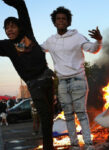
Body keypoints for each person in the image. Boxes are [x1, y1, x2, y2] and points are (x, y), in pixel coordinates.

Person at [41, 6, 102, 150]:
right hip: (62, 82)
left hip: (78, 80)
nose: (61, 21)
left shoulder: (77, 37)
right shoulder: (50, 40)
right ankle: (74, 145)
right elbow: (37, 49)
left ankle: (88, 144)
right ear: (54, 22)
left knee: (81, 114)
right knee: (68, 115)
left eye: (64, 19)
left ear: (68, 22)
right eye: (58, 19)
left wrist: (99, 40)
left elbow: (93, 49)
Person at [0, 0, 54, 149]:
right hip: (34, 84)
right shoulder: (7, 46)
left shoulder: (27, 33)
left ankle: (49, 144)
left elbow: (21, 6)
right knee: (45, 116)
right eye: (6, 28)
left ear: (19, 27)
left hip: (48, 79)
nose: (10, 30)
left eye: (13, 26)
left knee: (49, 117)